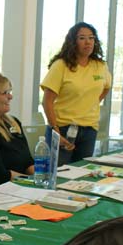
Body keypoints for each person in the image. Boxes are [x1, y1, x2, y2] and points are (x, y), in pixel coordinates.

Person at [40, 22, 111, 165]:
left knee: (81, 173)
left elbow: (106, 87)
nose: (88, 42)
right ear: (73, 42)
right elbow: (47, 101)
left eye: (91, 38)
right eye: (82, 38)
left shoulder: (100, 65)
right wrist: (56, 131)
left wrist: (90, 102)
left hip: (89, 129)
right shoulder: (61, 65)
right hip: (63, 128)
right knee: (57, 174)